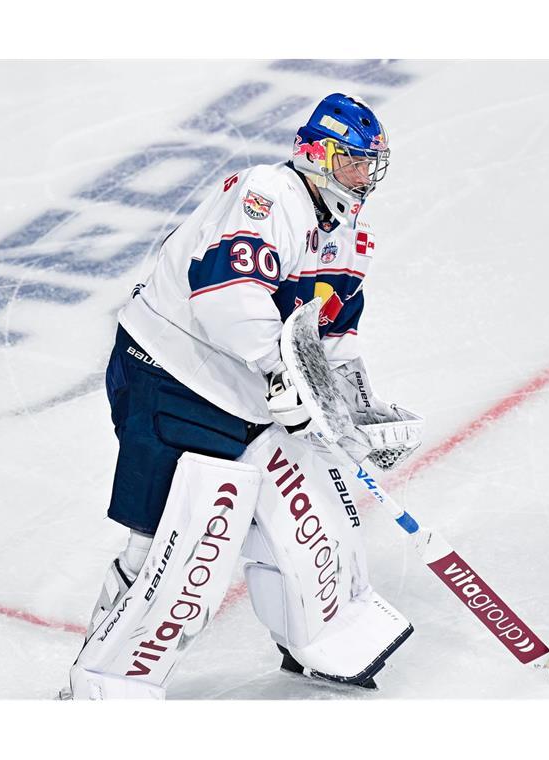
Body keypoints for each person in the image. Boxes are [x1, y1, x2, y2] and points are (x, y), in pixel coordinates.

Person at [65, 93, 423, 699]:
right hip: (173, 376)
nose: (363, 177)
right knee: (177, 546)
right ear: (316, 156)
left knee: (310, 514)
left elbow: (330, 333)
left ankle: (326, 638)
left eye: (370, 164)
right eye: (352, 163)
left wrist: (355, 407)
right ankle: (107, 685)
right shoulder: (266, 196)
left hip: (252, 389)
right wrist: (282, 377)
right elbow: (226, 299)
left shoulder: (347, 233)